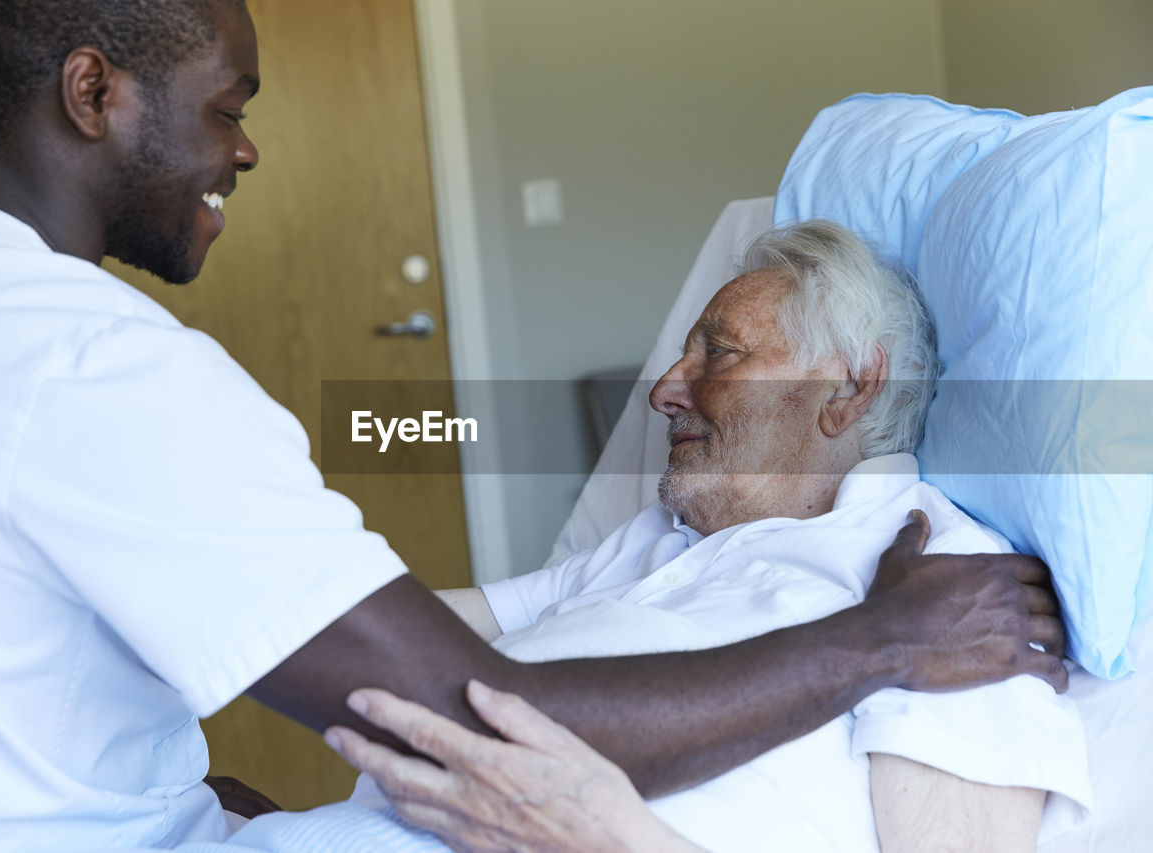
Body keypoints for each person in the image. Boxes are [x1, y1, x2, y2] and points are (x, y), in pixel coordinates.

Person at [0, 1, 1067, 851]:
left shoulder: (933, 572)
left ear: (848, 387)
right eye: (225, 107)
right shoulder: (94, 368)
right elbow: (444, 690)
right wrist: (869, 646)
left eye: (720, 352)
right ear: (93, 92)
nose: (242, 147)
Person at [312, 222, 1090, 851]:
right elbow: (409, 625)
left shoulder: (942, 585)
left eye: (719, 351)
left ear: (850, 386)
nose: (661, 390)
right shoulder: (659, 538)